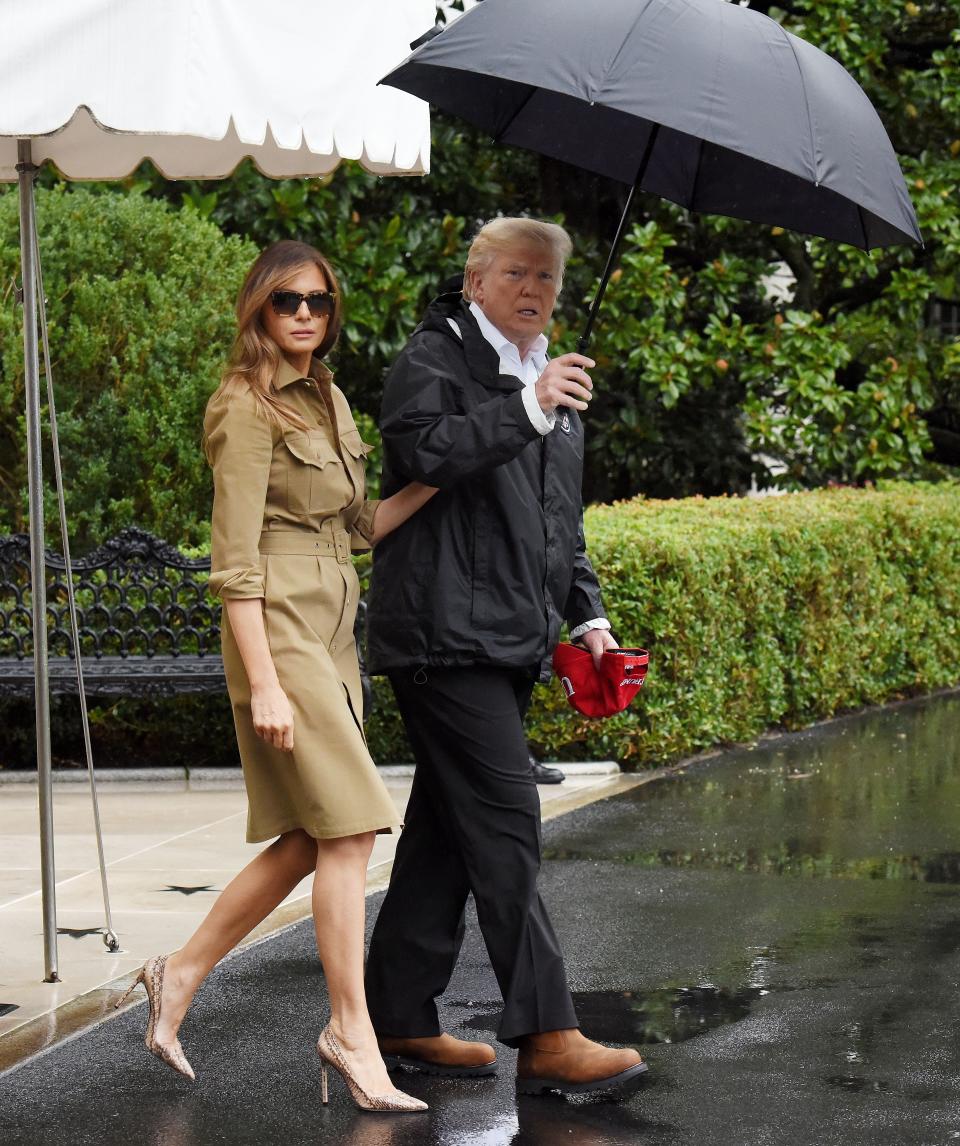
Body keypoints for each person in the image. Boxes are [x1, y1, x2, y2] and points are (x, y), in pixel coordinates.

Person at [116, 240, 433, 1114]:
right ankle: (349, 1032)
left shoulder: (326, 395)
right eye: (288, 300)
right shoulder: (244, 406)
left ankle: (178, 972)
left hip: (333, 624)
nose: (305, 314)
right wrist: (262, 681)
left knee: (311, 836)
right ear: (258, 306)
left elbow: (361, 522)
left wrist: (445, 477)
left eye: (320, 302)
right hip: (279, 628)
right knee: (356, 826)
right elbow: (235, 563)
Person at [364, 218, 647, 1096]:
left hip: (508, 640)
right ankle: (550, 1032)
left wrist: (589, 619)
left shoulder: (553, 382)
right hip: (443, 636)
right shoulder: (436, 358)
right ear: (476, 279)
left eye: (549, 280)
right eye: (517, 274)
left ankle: (396, 1021)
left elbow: (563, 526)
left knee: (447, 838)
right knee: (507, 823)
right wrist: (528, 406)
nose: (535, 290)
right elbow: (423, 451)